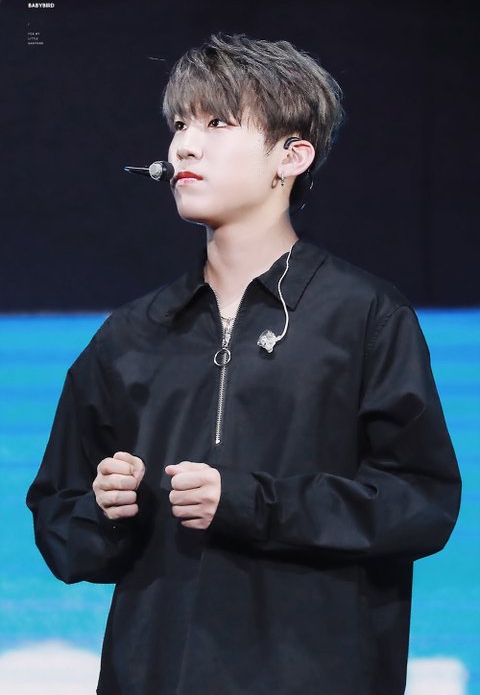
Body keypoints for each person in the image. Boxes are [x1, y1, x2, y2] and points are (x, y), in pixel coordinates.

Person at [27, 34, 461, 695]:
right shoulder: (128, 336)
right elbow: (62, 530)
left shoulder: (365, 316)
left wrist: (251, 502)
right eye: (180, 125)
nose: (184, 146)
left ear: (292, 156)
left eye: (217, 124)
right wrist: (104, 508)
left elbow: (420, 502)